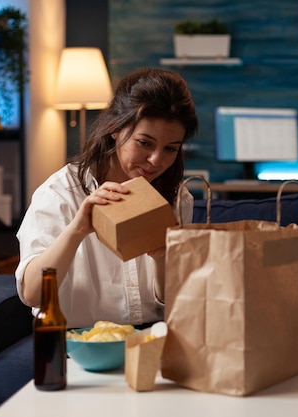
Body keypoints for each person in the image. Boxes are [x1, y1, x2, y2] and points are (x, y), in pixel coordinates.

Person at [15, 68, 198, 328]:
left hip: (152, 340)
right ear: (116, 128)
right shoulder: (60, 194)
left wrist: (162, 258)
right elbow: (33, 294)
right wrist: (76, 231)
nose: (156, 160)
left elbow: (176, 302)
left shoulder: (178, 198)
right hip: (79, 344)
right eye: (144, 143)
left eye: (170, 149)